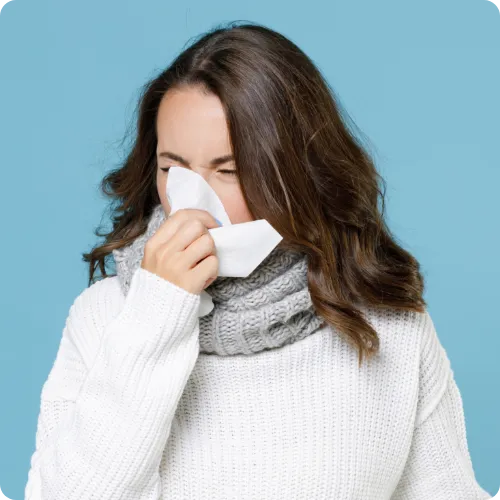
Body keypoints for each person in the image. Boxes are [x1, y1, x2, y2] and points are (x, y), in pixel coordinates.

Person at [24, 21, 493, 500]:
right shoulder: (105, 317)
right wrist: (155, 313)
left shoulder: (388, 326)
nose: (191, 201)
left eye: (228, 171)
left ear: (296, 174)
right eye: (171, 167)